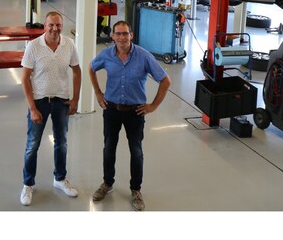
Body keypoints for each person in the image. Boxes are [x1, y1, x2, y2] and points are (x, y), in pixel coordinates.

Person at [88, 20, 171, 211]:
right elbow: (91, 68)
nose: (121, 37)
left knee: (136, 151)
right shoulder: (106, 55)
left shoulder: (144, 56)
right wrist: (98, 93)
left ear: (131, 36)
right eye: (118, 34)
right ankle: (107, 183)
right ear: (112, 36)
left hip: (135, 112)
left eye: (125, 34)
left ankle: (136, 190)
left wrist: (153, 106)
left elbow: (166, 81)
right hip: (111, 110)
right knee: (109, 148)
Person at [20, 11, 81, 207]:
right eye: (51, 25)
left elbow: (77, 71)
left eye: (58, 25)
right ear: (45, 26)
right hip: (39, 102)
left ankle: (60, 179)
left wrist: (75, 100)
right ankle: (28, 184)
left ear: (62, 26)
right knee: (33, 145)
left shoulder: (69, 44)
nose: (55, 29)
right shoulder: (33, 46)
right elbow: (24, 78)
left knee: (61, 142)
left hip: (61, 101)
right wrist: (32, 108)